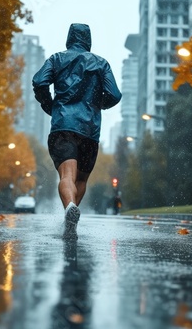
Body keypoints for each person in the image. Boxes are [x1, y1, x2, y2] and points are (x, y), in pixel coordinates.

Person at [32, 23, 122, 239]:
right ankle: (70, 217)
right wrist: (96, 104)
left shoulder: (56, 59)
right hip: (90, 131)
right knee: (81, 180)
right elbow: (115, 94)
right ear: (88, 39)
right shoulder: (101, 64)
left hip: (64, 125)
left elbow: (39, 81)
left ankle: (70, 207)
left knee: (67, 175)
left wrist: (50, 104)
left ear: (69, 38)